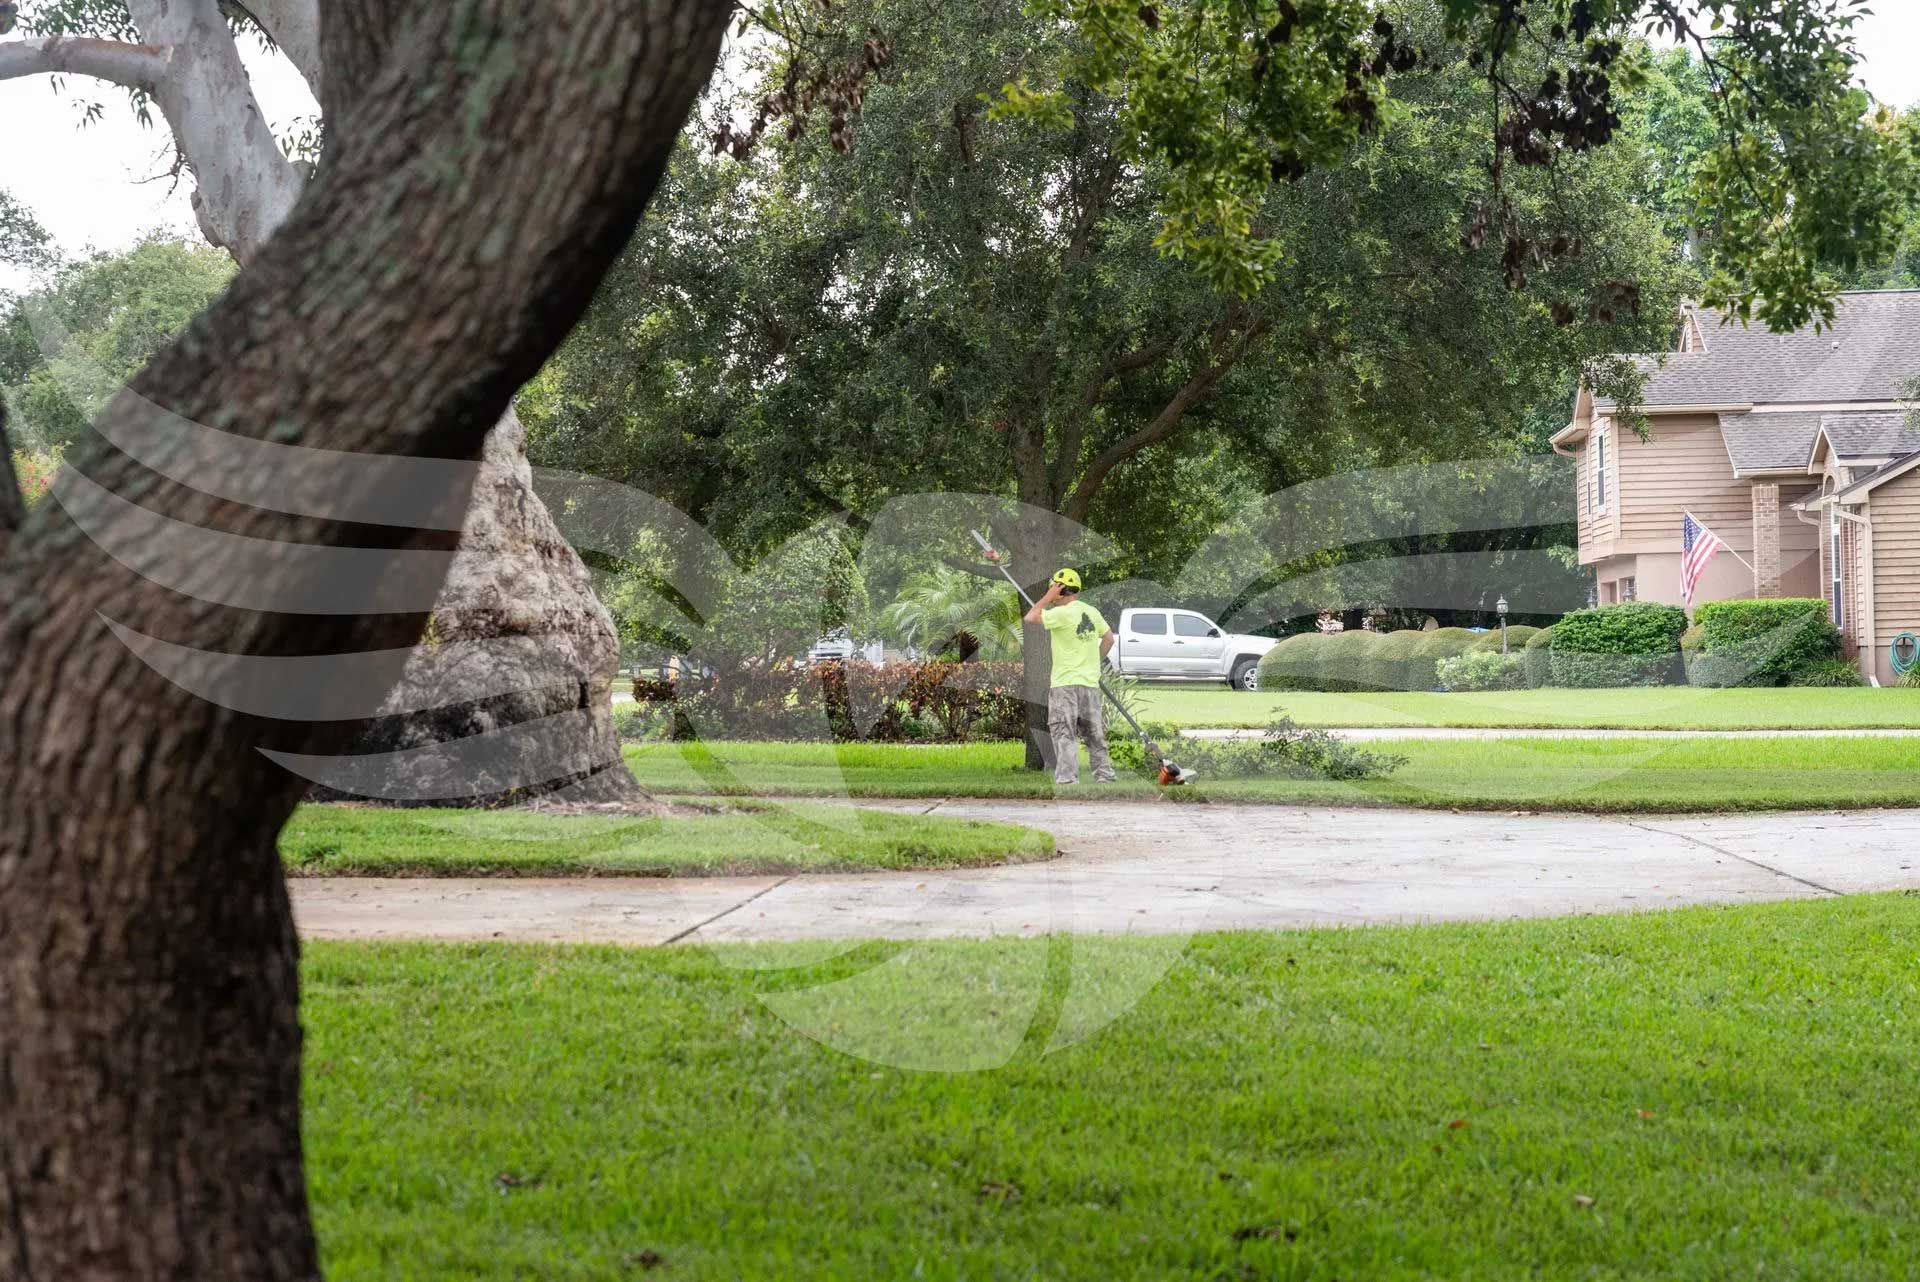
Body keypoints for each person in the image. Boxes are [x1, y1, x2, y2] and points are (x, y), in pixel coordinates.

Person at [1024, 568, 1117, 785]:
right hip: (1089, 683)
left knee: (1063, 731)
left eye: (1053, 587)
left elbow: (1030, 617)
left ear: (1061, 589)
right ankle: (1104, 775)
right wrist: (1094, 663)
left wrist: (1046, 599)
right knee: (1094, 733)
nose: (1050, 590)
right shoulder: (1092, 612)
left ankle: (1067, 779)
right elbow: (1109, 639)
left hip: (1064, 685)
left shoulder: (1060, 614)